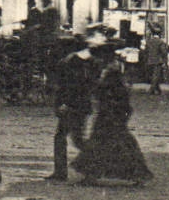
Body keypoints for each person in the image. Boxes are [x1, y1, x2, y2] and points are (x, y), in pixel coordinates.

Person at [75, 60, 153, 186]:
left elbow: (98, 95)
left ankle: (91, 175)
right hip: (114, 121)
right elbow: (126, 108)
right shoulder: (119, 86)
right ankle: (137, 176)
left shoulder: (108, 85)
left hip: (107, 120)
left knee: (99, 146)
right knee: (122, 147)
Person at [48, 31, 104, 182]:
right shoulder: (91, 62)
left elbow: (65, 86)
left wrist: (62, 104)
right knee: (76, 138)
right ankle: (90, 170)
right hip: (83, 105)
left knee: (65, 138)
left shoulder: (67, 62)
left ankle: (64, 172)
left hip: (70, 105)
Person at [143, 26, 168, 95]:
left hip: (149, 60)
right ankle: (152, 89)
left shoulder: (149, 42)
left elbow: (145, 51)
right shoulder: (160, 42)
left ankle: (158, 89)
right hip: (157, 61)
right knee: (156, 75)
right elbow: (163, 52)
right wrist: (164, 60)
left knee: (153, 75)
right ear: (159, 34)